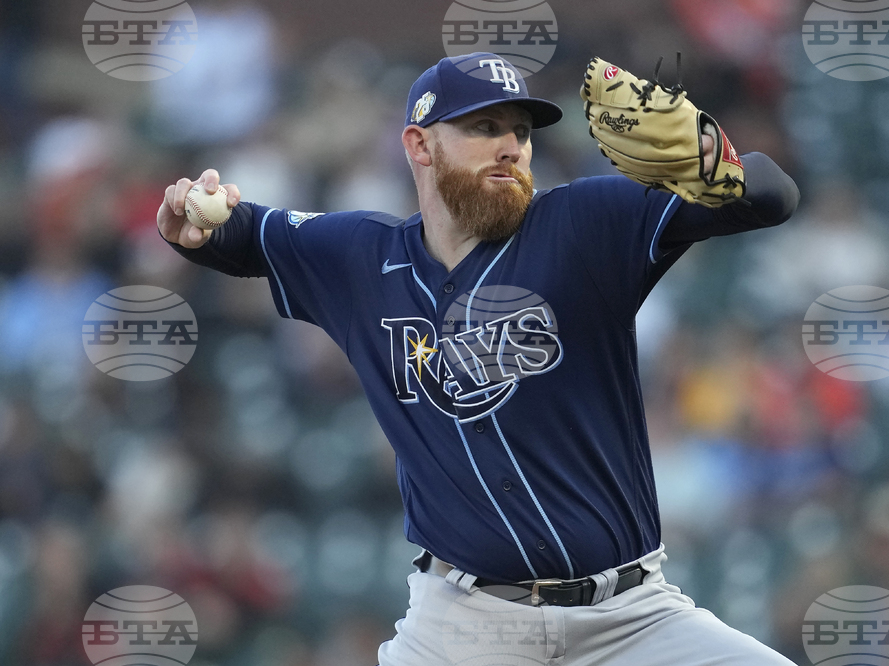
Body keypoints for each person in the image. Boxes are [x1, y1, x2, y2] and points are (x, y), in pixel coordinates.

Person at [157, 52, 800, 665]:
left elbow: (771, 197)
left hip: (630, 618)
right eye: (484, 127)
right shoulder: (361, 260)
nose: (511, 146)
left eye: (521, 131)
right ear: (419, 145)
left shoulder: (583, 224)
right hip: (464, 627)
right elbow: (239, 235)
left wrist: (711, 155)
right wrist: (188, 217)